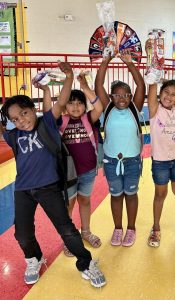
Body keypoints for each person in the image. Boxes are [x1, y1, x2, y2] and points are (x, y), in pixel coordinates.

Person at [0, 62, 106, 287]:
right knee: (22, 233)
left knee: (66, 229)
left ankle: (86, 263)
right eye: (16, 119)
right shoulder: (13, 135)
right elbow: (4, 127)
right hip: (23, 190)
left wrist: (68, 78)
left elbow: (60, 103)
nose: (22, 120)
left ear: (33, 109)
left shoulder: (47, 123)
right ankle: (34, 259)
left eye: (24, 114)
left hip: (48, 187)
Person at [44, 73, 103, 257]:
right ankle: (70, 238)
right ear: (65, 106)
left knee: (85, 201)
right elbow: (48, 115)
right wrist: (46, 90)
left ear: (85, 106)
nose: (75, 107)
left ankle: (85, 231)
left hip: (87, 171)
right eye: (71, 103)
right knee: (68, 205)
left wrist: (85, 86)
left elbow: (99, 106)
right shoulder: (62, 121)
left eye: (79, 103)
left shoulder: (88, 118)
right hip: (68, 175)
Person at [95, 49, 145, 247]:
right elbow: (98, 84)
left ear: (131, 96)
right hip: (111, 161)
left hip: (132, 161)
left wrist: (129, 63)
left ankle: (131, 228)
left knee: (131, 195)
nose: (122, 99)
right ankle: (118, 228)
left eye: (126, 95)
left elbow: (140, 84)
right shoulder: (108, 108)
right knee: (116, 195)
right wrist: (106, 59)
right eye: (117, 95)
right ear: (111, 96)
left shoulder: (135, 107)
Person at [146, 77, 175, 247]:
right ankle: (156, 228)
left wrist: (169, 83)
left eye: (174, 95)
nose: (169, 96)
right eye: (166, 92)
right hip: (160, 162)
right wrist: (154, 79)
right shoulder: (154, 110)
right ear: (160, 93)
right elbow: (152, 90)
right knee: (160, 194)